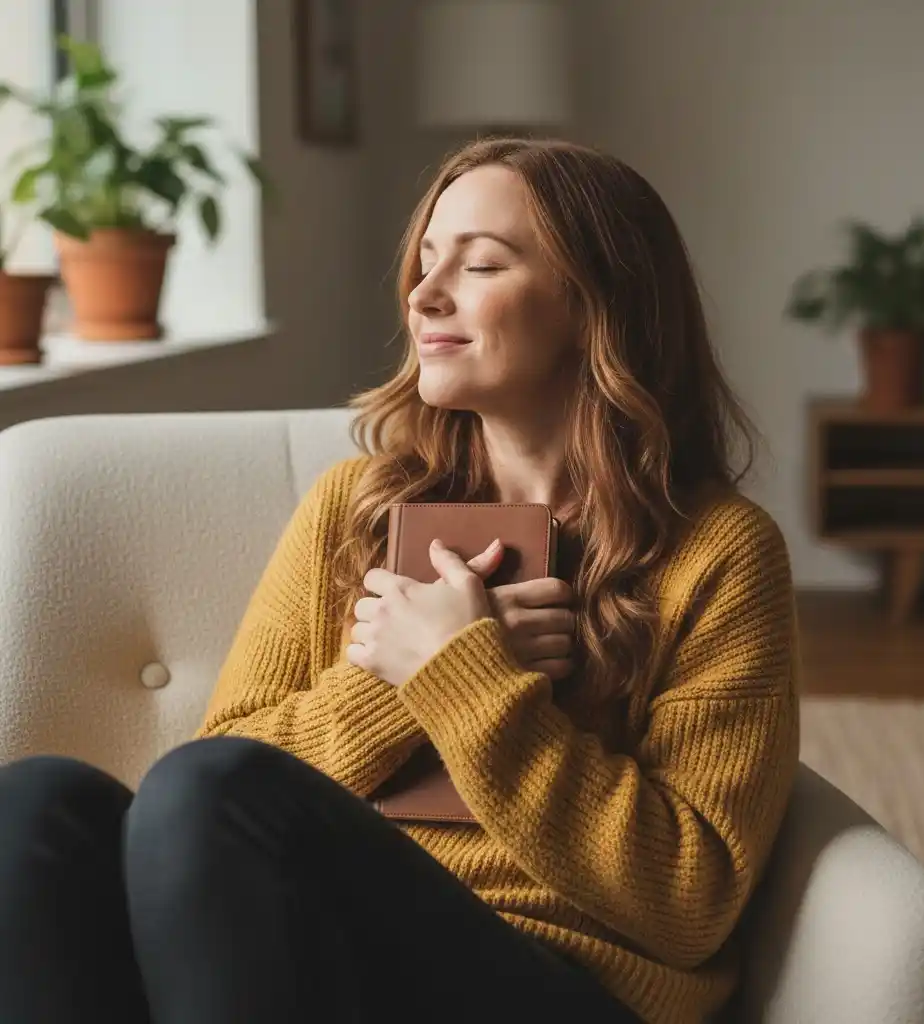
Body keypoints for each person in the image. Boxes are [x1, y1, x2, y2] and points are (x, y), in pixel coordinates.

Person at [0, 138, 799, 1024]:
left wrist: (469, 680)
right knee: (37, 805)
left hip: (560, 981)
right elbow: (209, 768)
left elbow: (692, 901)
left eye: (483, 263)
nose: (424, 295)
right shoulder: (356, 506)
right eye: (425, 262)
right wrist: (397, 685)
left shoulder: (717, 550)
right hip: (321, 956)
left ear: (593, 305)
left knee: (210, 792)